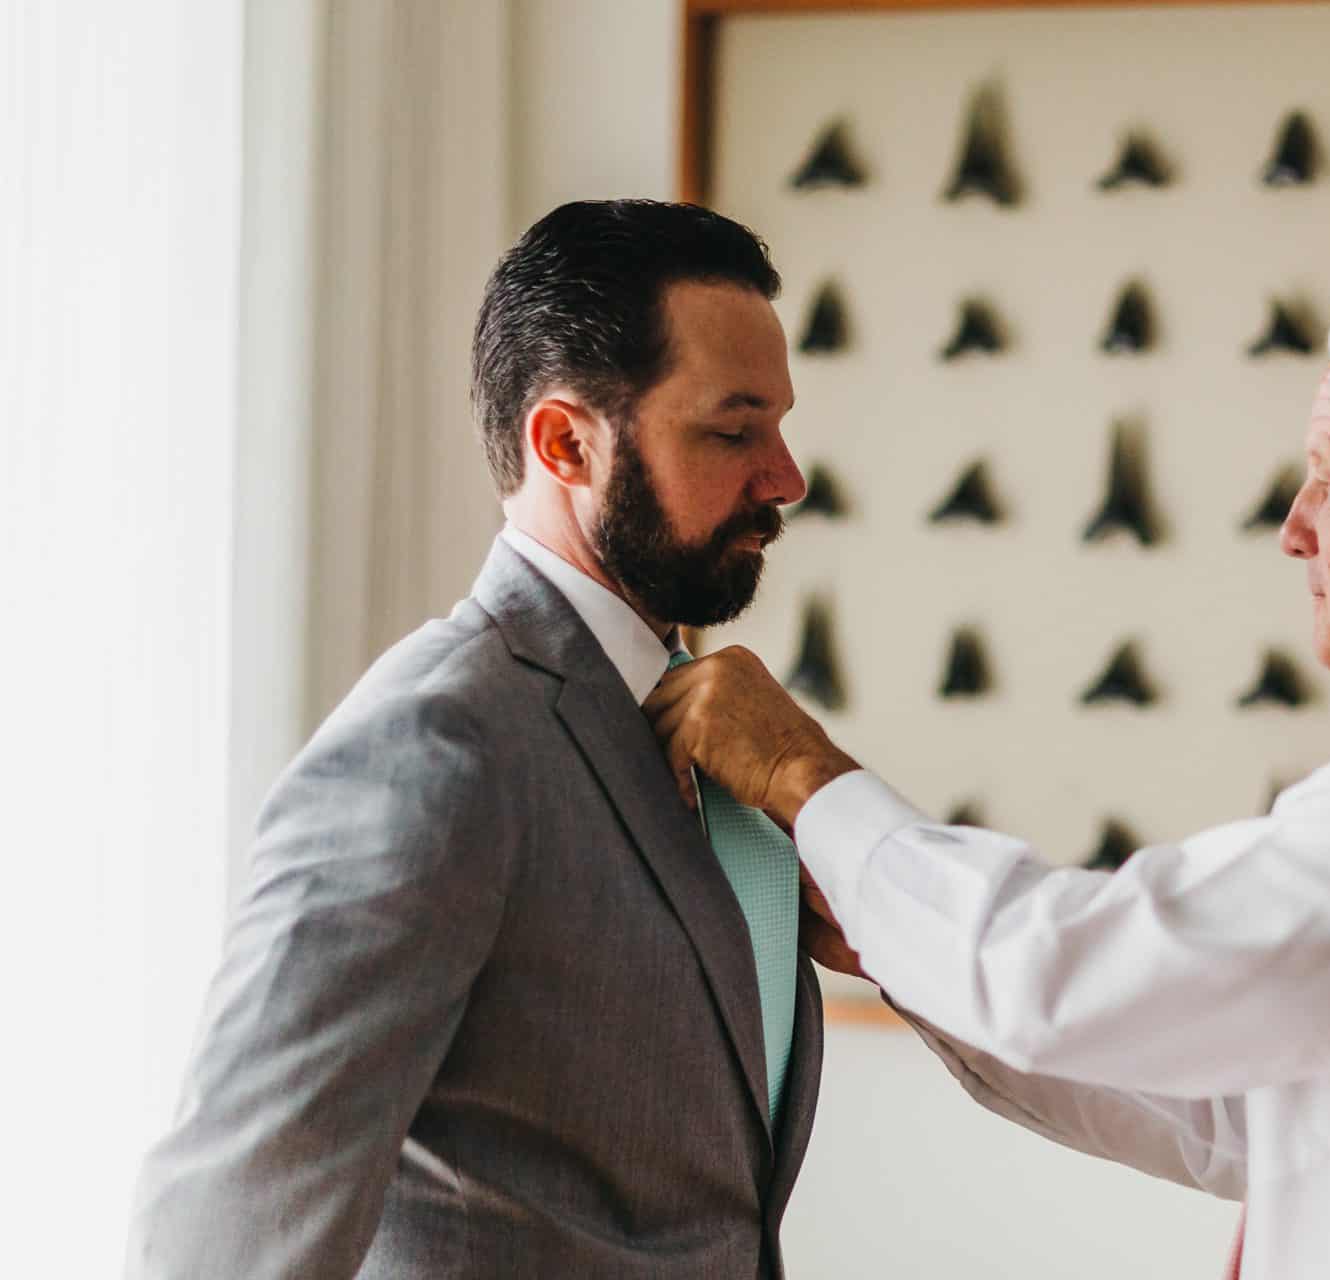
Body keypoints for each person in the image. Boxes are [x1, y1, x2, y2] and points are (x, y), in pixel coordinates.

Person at [646, 272, 1330, 1278]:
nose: (1295, 529)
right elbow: (1250, 1118)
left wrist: (801, 771)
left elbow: (1055, 973)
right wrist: (895, 939)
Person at [128, 200, 821, 1278]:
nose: (786, 477)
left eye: (779, 424)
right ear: (566, 441)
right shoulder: (438, 738)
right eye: (734, 431)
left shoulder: (728, 737)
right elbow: (237, 1208)